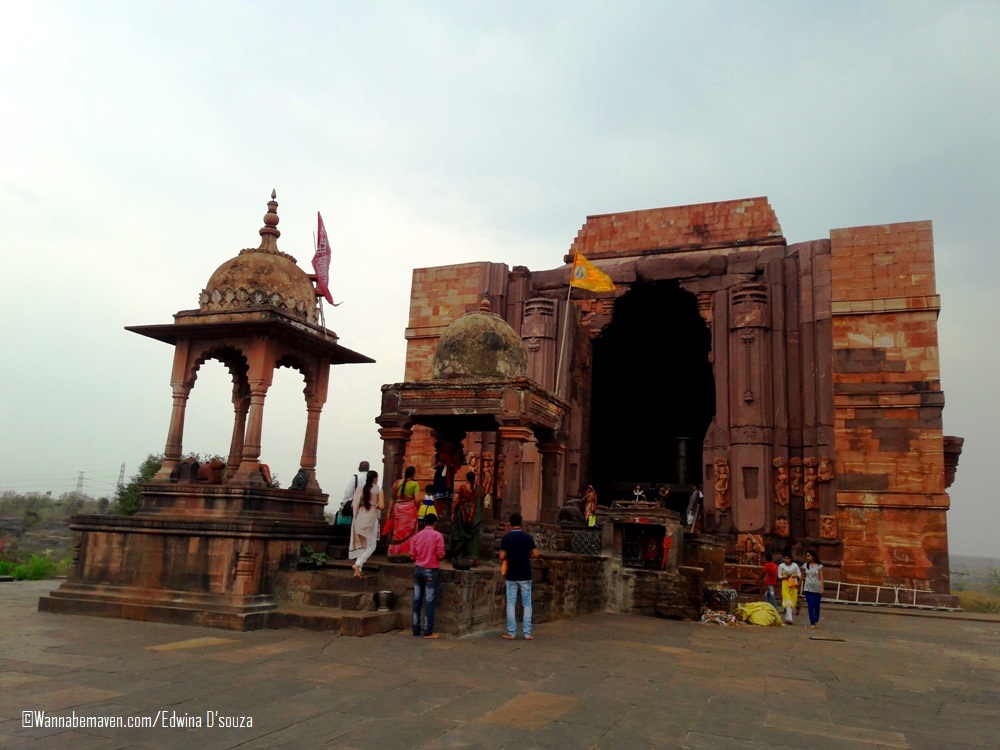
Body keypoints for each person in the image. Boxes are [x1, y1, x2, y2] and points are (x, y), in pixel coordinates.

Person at [499, 512, 539, 641]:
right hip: (525, 573)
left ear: (510, 523)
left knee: (511, 603)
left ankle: (511, 632)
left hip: (511, 574)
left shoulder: (506, 538)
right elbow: (536, 553)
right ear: (521, 523)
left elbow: (501, 556)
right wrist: (526, 555)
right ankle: (527, 633)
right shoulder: (527, 537)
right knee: (527, 603)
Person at [409, 512, 445, 639]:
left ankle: (415, 628)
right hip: (430, 570)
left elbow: (412, 555)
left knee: (417, 600)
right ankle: (428, 631)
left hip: (418, 569)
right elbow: (441, 555)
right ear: (435, 523)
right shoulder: (438, 536)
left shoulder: (417, 536)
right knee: (429, 602)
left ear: (424, 523)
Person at [349, 470, 382, 578]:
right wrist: (375, 505)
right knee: (371, 546)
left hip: (359, 517)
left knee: (363, 545)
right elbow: (382, 506)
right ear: (374, 479)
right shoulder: (378, 489)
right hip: (371, 518)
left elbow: (354, 505)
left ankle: (358, 569)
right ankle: (357, 564)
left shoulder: (359, 488)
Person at [385, 466, 420, 558]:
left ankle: (394, 553)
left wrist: (389, 511)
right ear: (413, 474)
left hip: (398, 509)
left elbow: (392, 498)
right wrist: (418, 508)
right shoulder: (414, 484)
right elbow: (417, 500)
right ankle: (409, 553)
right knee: (411, 532)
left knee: (397, 532)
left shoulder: (397, 483)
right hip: (410, 509)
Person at [450, 471, 482, 560]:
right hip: (473, 515)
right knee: (471, 536)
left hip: (462, 513)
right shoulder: (478, 490)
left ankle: (459, 555)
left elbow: (455, 500)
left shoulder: (462, 488)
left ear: (466, 478)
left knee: (459, 533)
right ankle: (471, 555)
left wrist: (452, 512)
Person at [338, 460, 370, 525]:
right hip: (369, 505)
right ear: (368, 469)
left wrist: (343, 504)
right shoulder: (371, 478)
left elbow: (348, 492)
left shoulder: (356, 477)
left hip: (357, 504)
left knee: (356, 524)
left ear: (359, 468)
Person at [802, 549, 825, 629]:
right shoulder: (806, 565)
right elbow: (803, 575)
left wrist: (822, 587)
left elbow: (821, 577)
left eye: (809, 556)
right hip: (808, 587)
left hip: (817, 588)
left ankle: (816, 620)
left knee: (817, 606)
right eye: (807, 556)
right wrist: (798, 583)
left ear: (813, 556)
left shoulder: (819, 566)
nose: (807, 558)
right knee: (810, 606)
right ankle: (812, 622)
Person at [777, 552, 802, 625]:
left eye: (788, 558)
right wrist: (784, 577)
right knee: (787, 600)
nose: (786, 560)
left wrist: (794, 576)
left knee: (792, 601)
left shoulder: (795, 565)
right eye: (785, 558)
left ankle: (787, 618)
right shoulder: (781, 566)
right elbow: (779, 576)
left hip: (793, 584)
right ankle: (790, 618)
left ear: (791, 559)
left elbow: (799, 575)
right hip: (785, 584)